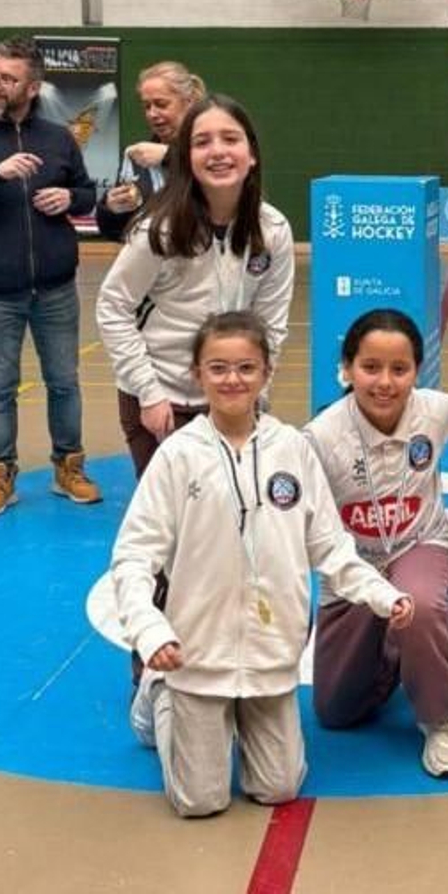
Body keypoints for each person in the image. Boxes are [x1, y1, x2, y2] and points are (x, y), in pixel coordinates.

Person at [110, 311, 413, 818]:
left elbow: (331, 548)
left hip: (271, 656)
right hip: (196, 657)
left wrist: (383, 594)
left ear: (267, 372)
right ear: (197, 374)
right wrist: (149, 630)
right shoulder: (178, 455)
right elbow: (135, 555)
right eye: (219, 368)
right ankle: (158, 695)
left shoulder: (292, 449)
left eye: (247, 367)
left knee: (278, 788)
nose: (233, 379)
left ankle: (232, 723)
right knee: (198, 802)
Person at [303, 308, 448, 778]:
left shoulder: (435, 410)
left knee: (421, 605)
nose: (385, 382)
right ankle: (398, 648)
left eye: (399, 369)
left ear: (417, 371)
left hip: (419, 544)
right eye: (370, 367)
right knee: (336, 712)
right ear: (346, 369)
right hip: (355, 564)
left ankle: (440, 720)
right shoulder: (320, 438)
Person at [0, 34, 102, 518]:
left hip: (55, 288)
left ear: (32, 87)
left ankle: (69, 468)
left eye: (7, 79)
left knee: (64, 382)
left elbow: (88, 192)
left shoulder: (58, 139)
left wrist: (69, 200)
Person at [96, 93, 294, 478]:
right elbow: (112, 306)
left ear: (251, 154)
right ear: (186, 158)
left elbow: (271, 321)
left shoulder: (273, 230)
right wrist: (149, 394)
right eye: (202, 142)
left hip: (233, 395)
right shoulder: (159, 229)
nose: (217, 151)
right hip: (162, 400)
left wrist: (258, 392)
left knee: (233, 516)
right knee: (175, 525)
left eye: (230, 139)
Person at [93, 60, 206, 242]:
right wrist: (112, 209)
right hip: (153, 264)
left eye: (161, 104)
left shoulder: (211, 147)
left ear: (189, 102)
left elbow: (218, 193)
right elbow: (114, 232)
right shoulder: (140, 157)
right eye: (147, 106)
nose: (152, 113)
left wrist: (168, 157)